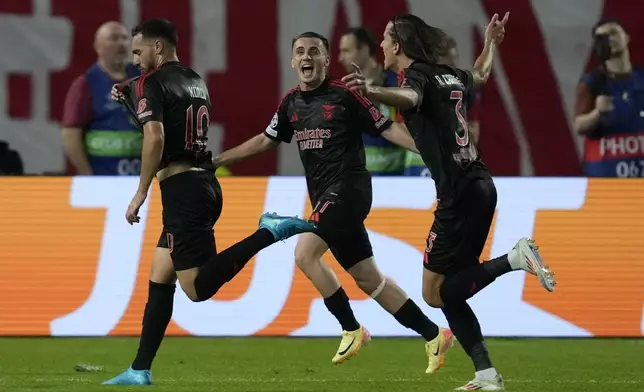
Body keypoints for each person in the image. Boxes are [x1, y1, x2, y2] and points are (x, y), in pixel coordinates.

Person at [216, 31, 452, 372]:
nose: (307, 57)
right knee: (369, 279)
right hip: (325, 199)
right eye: (300, 51)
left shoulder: (346, 95)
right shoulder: (290, 104)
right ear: (292, 61)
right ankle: (434, 334)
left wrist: (430, 151)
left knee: (304, 253)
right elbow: (264, 142)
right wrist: (218, 160)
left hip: (350, 191)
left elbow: (386, 128)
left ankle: (351, 328)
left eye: (315, 51)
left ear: (327, 60)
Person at [343, 13, 556, 390]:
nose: (381, 45)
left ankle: (514, 258)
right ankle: (487, 374)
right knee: (453, 289)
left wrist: (370, 91)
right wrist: (491, 43)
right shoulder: (447, 73)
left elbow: (409, 97)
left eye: (385, 38)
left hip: (457, 194)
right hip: (481, 183)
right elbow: (482, 75)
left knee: (434, 292)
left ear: (398, 45)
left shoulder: (416, 78)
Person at [102, 19, 315, 385]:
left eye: (138, 51)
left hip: (182, 192)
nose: (133, 59)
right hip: (200, 183)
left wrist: (140, 191)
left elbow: (155, 138)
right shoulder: (195, 81)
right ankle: (140, 369)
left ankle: (269, 232)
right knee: (160, 276)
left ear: (158, 48)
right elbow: (170, 133)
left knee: (197, 289)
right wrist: (131, 104)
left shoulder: (150, 83)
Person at [60, 21, 142, 176]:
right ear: (98, 46)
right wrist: (86, 172)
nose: (121, 43)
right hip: (102, 177)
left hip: (141, 179)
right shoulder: (85, 84)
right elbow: (70, 133)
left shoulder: (142, 79)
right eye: (113, 38)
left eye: (124, 38)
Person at [574, 18, 644, 177]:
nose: (609, 40)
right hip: (606, 181)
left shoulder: (641, 78)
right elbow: (578, 125)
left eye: (613, 33)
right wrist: (597, 114)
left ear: (626, 37)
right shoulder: (593, 83)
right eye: (602, 38)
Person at [404, 36, 482, 177]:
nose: (451, 73)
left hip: (454, 160)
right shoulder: (415, 86)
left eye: (453, 66)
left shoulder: (467, 89)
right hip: (418, 162)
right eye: (446, 67)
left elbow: (473, 132)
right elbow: (402, 127)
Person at [338, 27, 406, 175]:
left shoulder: (396, 84)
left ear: (364, 49)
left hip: (397, 180)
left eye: (346, 51)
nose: (340, 58)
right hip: (359, 181)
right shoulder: (343, 92)